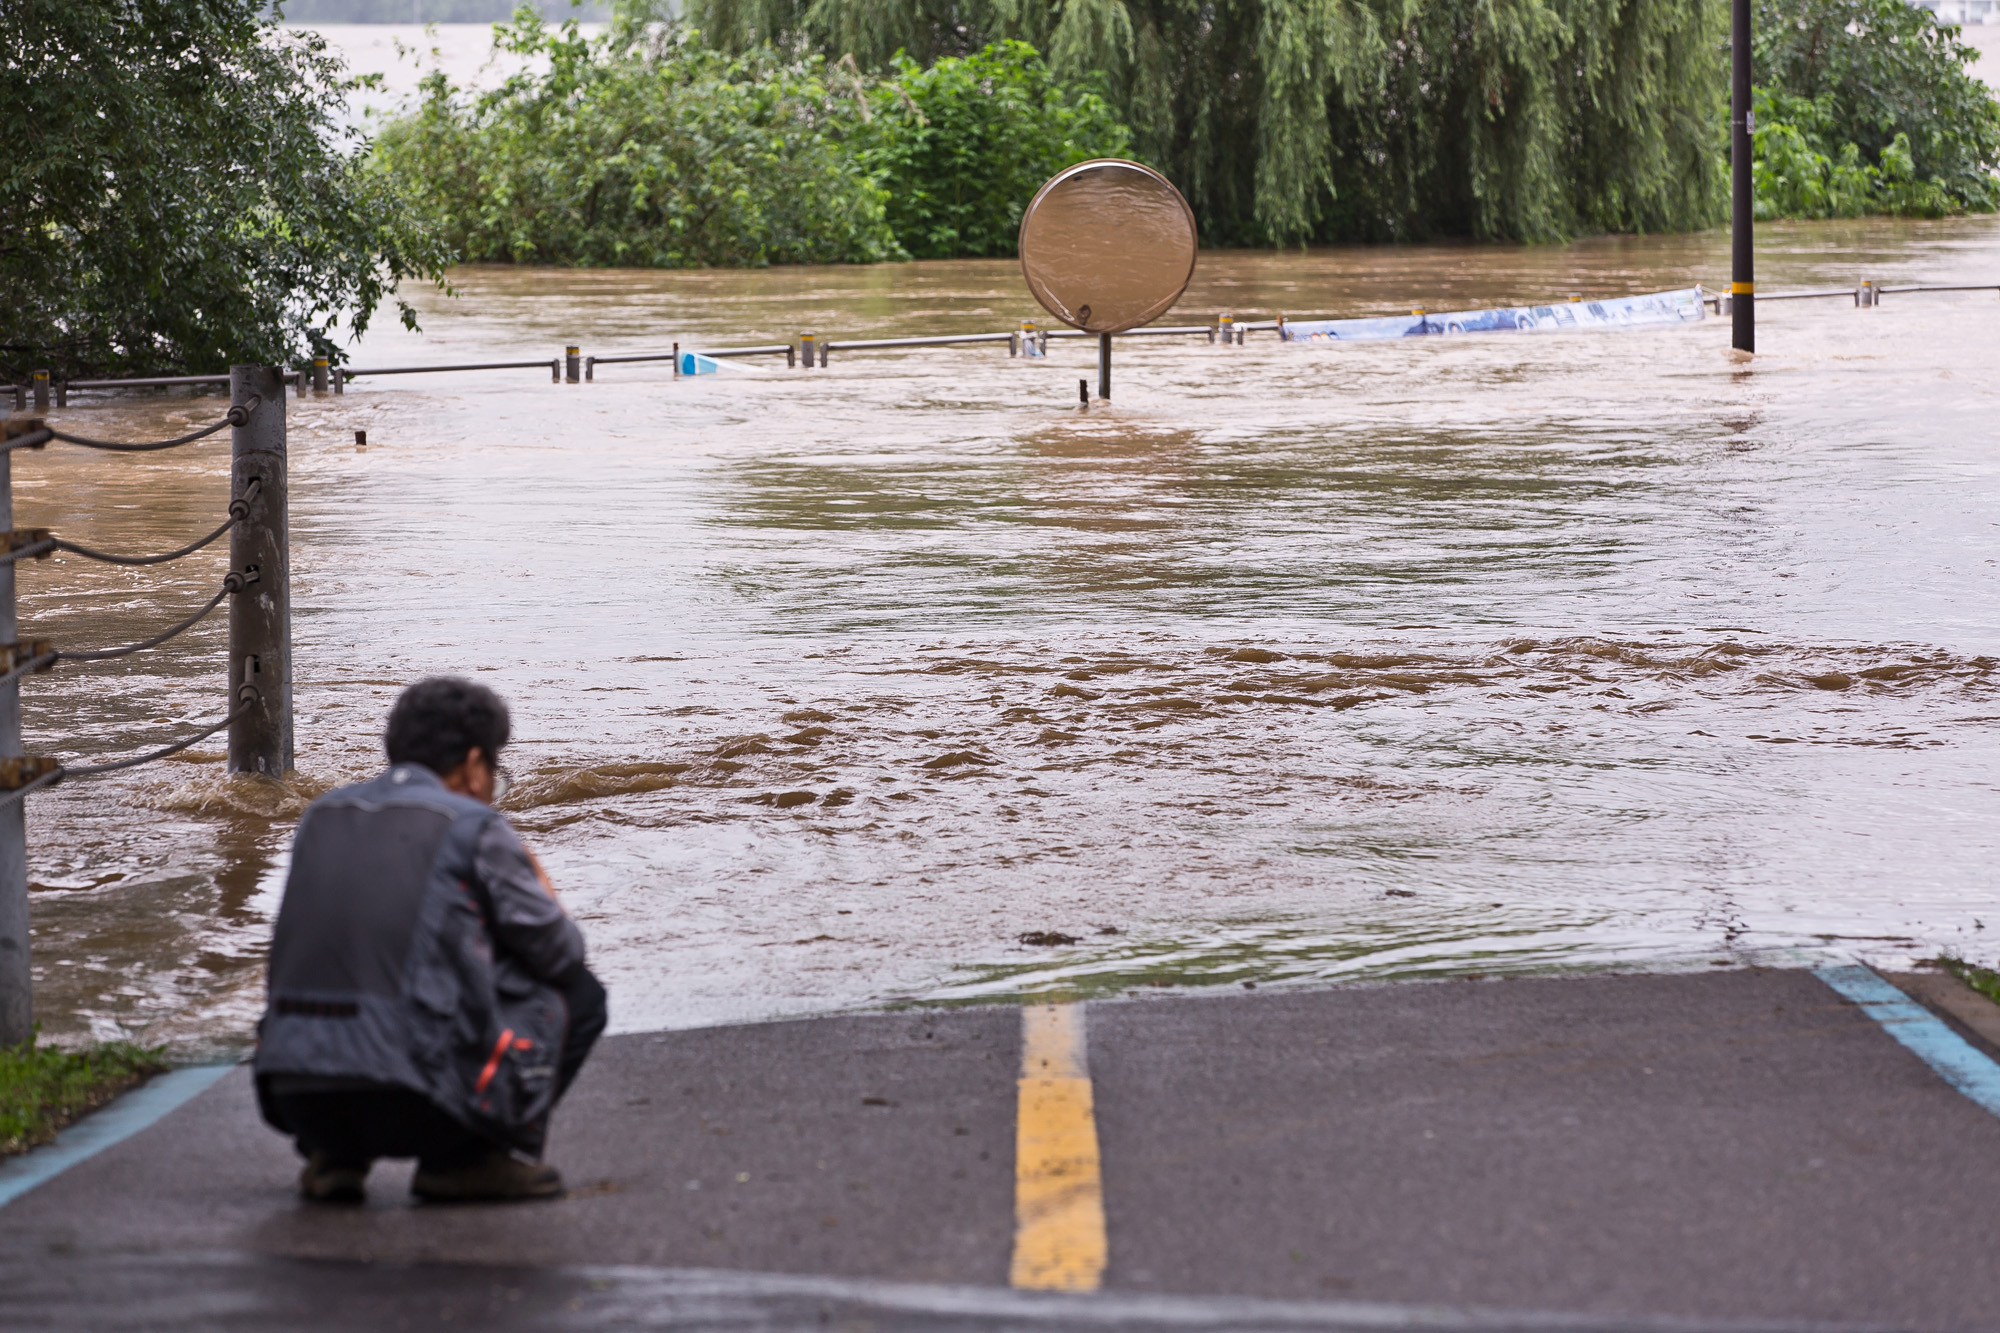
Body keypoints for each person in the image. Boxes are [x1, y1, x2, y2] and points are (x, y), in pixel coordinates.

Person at [253, 677, 606, 1203]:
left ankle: (335, 1156)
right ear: (474, 763)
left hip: (294, 1092)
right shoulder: (474, 824)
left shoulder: (320, 815)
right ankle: (464, 1160)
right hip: (414, 1104)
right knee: (581, 995)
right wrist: (540, 882)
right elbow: (561, 954)